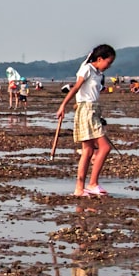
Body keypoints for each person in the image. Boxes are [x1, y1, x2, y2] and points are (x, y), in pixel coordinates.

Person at [55, 44, 116, 197]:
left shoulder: (97, 73)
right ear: (100, 59)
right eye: (108, 62)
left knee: (88, 151)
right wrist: (63, 106)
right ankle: (92, 184)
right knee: (105, 148)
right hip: (86, 111)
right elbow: (76, 88)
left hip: (93, 110)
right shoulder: (87, 68)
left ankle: (79, 189)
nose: (109, 66)